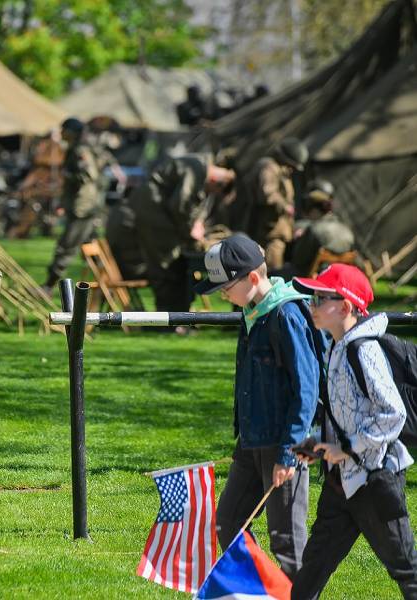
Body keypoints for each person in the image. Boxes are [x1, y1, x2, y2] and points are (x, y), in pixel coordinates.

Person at [195, 233, 321, 577]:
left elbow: (306, 389)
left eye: (226, 286)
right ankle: (258, 590)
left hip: (284, 442)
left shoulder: (286, 316)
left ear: (253, 277)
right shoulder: (250, 312)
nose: (222, 293)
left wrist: (289, 452)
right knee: (230, 522)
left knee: (287, 541)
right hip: (250, 440)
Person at [291, 264, 417, 599]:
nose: (311, 305)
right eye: (311, 297)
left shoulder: (364, 350)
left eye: (320, 298)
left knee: (407, 572)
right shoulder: (336, 346)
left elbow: (394, 414)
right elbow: (349, 413)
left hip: (375, 483)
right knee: (310, 574)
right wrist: (320, 441)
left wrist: (347, 448)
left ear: (345, 307)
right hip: (340, 483)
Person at [131, 154, 234, 313]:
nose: (208, 193)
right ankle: (168, 319)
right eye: (211, 190)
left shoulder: (197, 166)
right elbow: (181, 205)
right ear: (216, 181)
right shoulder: (197, 170)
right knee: (167, 265)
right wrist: (191, 231)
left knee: (173, 265)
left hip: (156, 212)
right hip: (155, 215)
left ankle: (175, 316)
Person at [42, 117, 104, 292]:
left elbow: (88, 176)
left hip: (82, 208)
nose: (60, 133)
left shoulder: (80, 150)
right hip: (83, 206)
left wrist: (68, 174)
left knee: (66, 247)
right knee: (91, 249)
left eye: (63, 130)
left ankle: (48, 285)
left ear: (70, 132)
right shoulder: (76, 148)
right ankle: (108, 284)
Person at [244, 138, 309, 270]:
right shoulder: (269, 168)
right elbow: (267, 194)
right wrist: (285, 207)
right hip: (269, 235)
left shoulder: (280, 171)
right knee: (271, 274)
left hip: (277, 233)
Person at [290, 180, 355, 277]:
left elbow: (298, 260)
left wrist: (299, 240)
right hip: (338, 278)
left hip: (314, 279)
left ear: (314, 208)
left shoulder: (314, 229)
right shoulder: (347, 230)